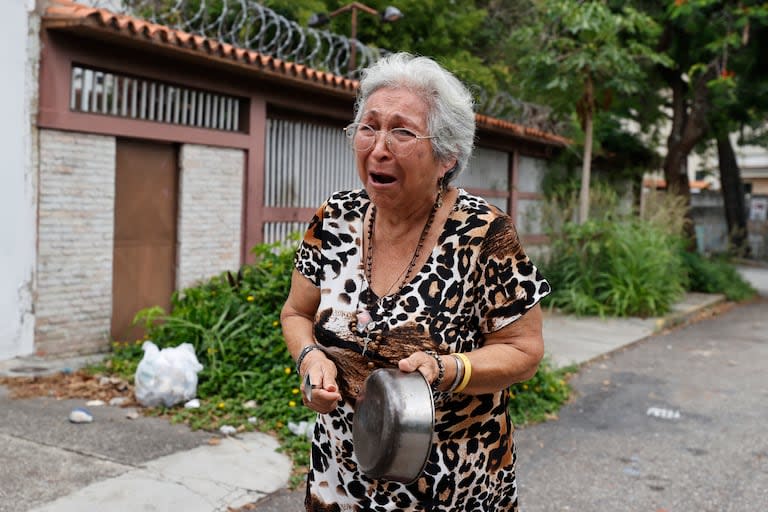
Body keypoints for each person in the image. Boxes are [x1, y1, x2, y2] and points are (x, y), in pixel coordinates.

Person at [280, 52, 551, 511]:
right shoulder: (335, 219)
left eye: (401, 131)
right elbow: (296, 313)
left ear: (446, 155)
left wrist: (449, 370)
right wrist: (310, 361)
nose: (379, 147)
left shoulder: (484, 233)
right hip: (341, 475)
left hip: (450, 484)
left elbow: (525, 352)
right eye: (369, 127)